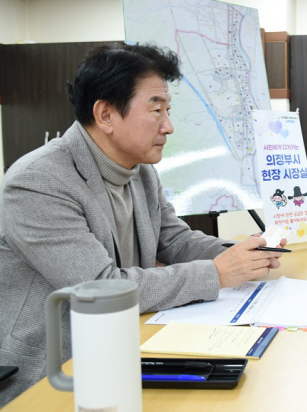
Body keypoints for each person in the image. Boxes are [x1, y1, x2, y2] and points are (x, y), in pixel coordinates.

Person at [0, 43, 285, 405]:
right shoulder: (38, 182)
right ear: (105, 115)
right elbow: (103, 288)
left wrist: (241, 253)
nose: (168, 126)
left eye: (168, 110)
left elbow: (175, 239)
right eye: (156, 110)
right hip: (56, 369)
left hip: (127, 343)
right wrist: (217, 273)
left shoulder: (141, 170)